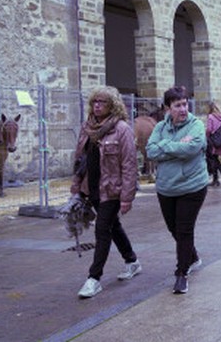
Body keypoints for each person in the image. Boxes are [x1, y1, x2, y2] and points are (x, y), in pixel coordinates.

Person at [71, 86, 140, 299]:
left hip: (112, 190)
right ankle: (132, 261)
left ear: (113, 105)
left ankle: (94, 278)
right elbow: (80, 159)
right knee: (113, 226)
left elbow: (129, 164)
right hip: (92, 189)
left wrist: (127, 197)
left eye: (102, 102)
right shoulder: (87, 127)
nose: (97, 106)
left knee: (102, 230)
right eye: (95, 102)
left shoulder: (121, 129)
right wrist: (76, 184)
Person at [146, 86, 208, 294]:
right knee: (174, 229)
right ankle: (192, 257)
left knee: (184, 229)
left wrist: (165, 146)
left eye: (185, 104)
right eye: (177, 105)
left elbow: (192, 148)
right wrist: (175, 145)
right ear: (167, 108)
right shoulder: (160, 128)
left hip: (192, 186)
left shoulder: (196, 125)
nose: (183, 109)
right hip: (166, 188)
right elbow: (150, 151)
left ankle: (181, 274)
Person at [205, 101, 221, 186]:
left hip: (213, 141)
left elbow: (209, 130)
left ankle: (216, 179)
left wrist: (206, 136)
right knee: (216, 159)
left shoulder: (211, 117)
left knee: (212, 159)